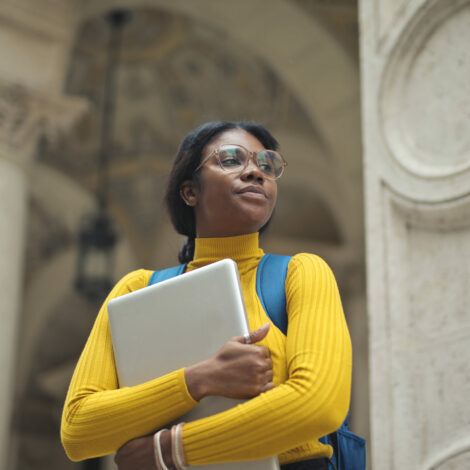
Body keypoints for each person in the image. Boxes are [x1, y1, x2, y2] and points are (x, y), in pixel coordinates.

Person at [61, 121, 352, 470]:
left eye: (267, 165)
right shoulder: (136, 289)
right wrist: (201, 378)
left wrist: (168, 451)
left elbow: (319, 406)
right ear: (190, 191)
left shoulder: (301, 273)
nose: (256, 173)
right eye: (231, 159)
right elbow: (78, 429)